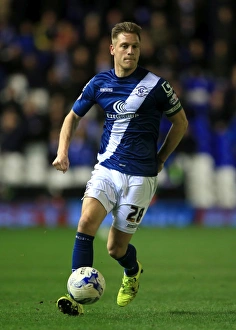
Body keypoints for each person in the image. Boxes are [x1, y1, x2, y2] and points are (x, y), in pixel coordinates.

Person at [52, 21, 188, 316]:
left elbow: (181, 123)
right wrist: (62, 151)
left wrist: (162, 158)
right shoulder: (99, 83)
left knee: (116, 248)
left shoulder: (156, 85)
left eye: (135, 46)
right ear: (113, 49)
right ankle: (75, 294)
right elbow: (71, 118)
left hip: (141, 176)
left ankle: (132, 270)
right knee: (86, 221)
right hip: (107, 168)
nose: (130, 51)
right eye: (125, 46)